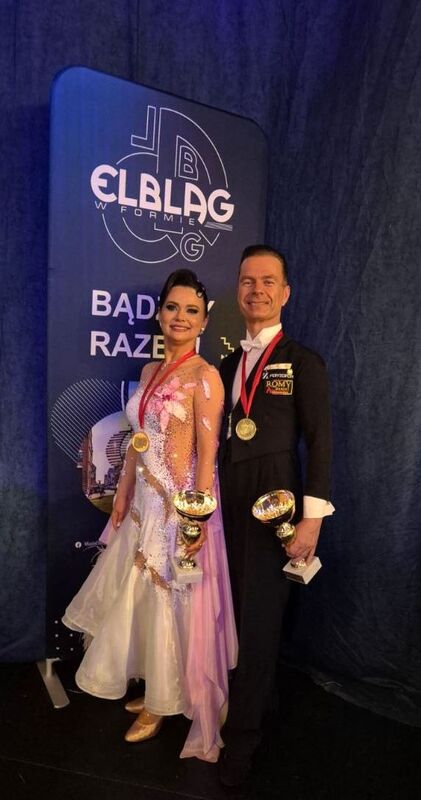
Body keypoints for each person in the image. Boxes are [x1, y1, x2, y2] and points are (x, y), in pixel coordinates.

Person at [63, 269, 237, 762]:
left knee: (163, 597)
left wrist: (195, 518)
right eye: (172, 308)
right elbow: (138, 443)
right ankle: (160, 688)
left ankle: (162, 704)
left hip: (176, 509)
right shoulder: (148, 371)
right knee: (137, 596)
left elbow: (207, 457)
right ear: (160, 314)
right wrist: (122, 492)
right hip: (142, 503)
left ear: (204, 321)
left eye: (191, 311)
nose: (180, 317)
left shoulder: (205, 377)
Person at [218, 245, 334, 785]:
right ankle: (252, 705)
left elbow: (321, 443)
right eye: (248, 281)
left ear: (285, 293)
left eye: (268, 281)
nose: (257, 290)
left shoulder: (303, 361)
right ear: (237, 291)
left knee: (261, 619)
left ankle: (241, 739)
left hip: (277, 501)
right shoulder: (226, 365)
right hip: (228, 497)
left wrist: (311, 520)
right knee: (233, 612)